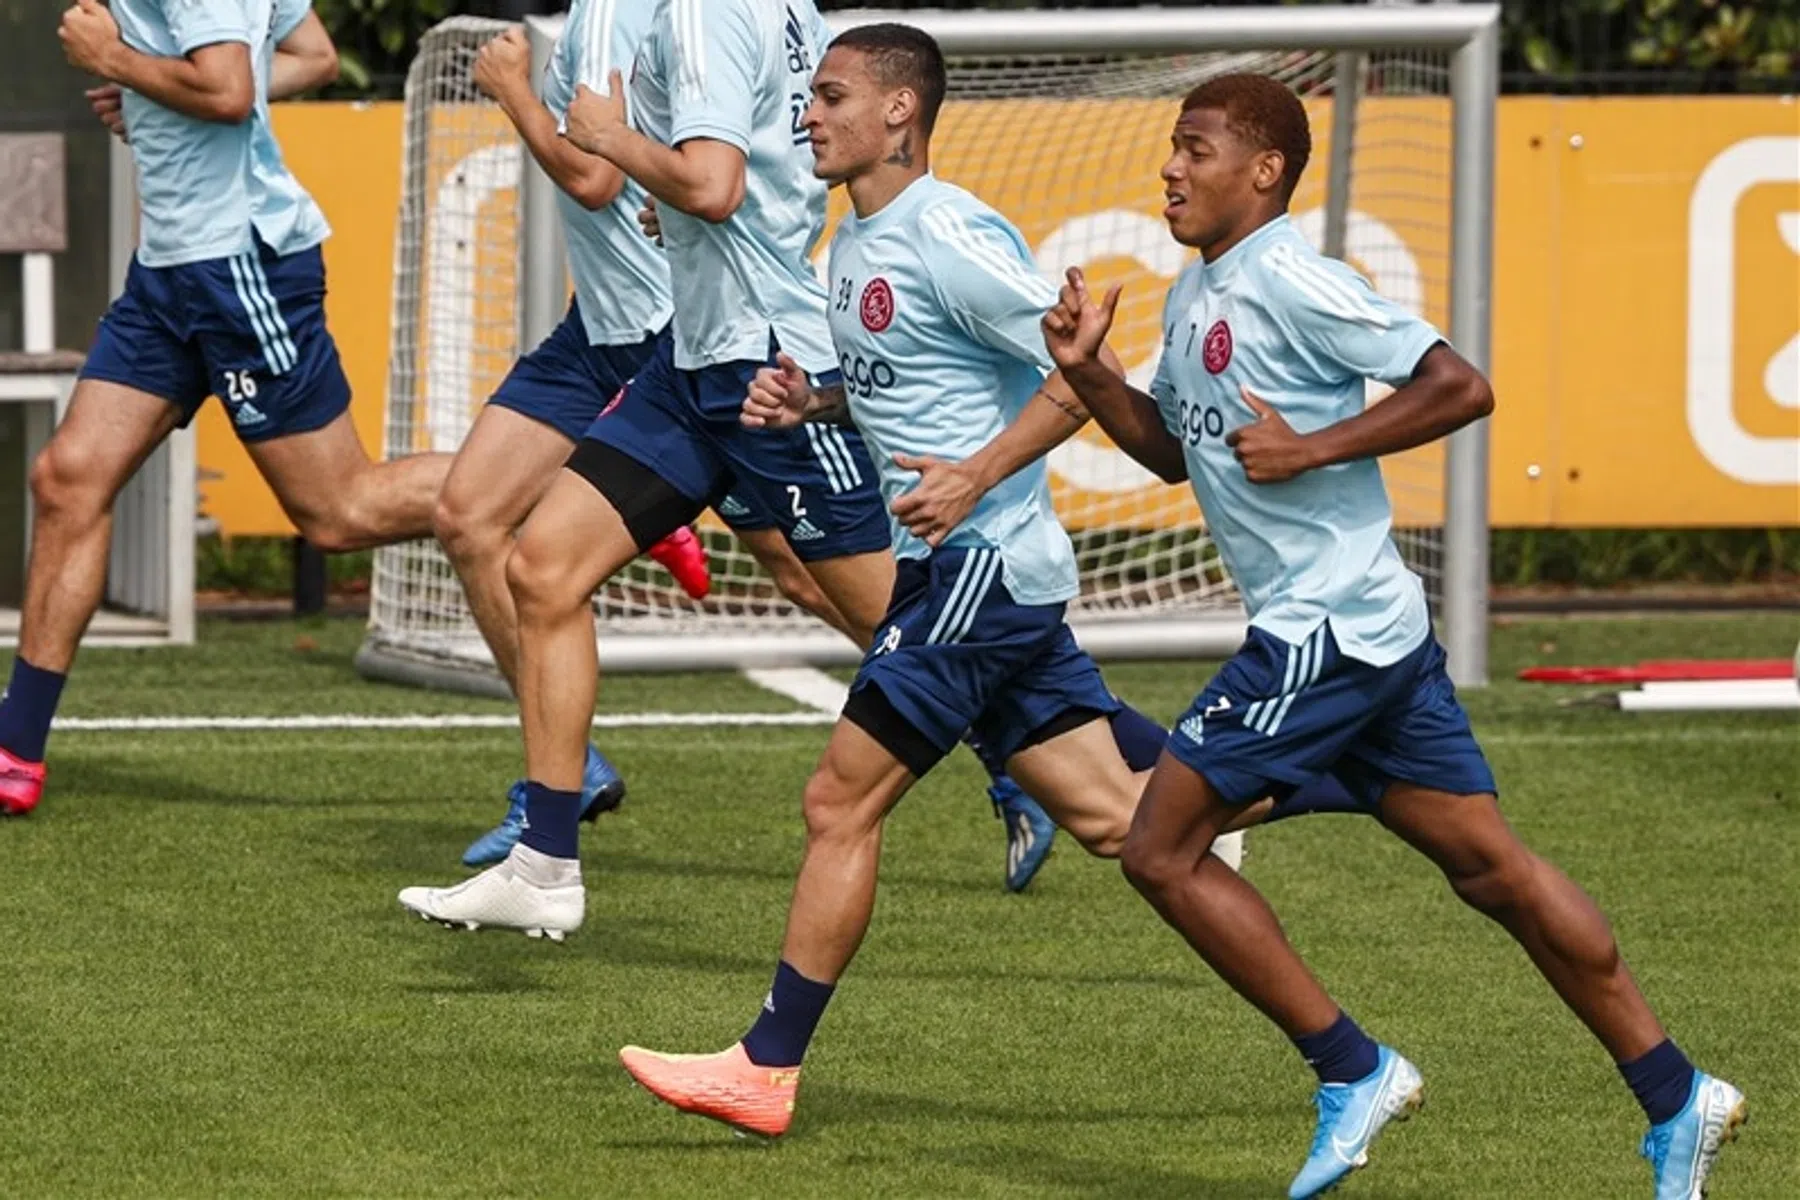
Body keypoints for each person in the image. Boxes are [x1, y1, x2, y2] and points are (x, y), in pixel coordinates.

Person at [1041, 72, 1745, 1199]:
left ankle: (1351, 1070)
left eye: (1196, 148)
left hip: (1327, 630)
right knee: (1494, 870)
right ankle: (1676, 1094)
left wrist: (1316, 449)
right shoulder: (1196, 293)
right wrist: (1089, 373)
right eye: (1172, 149)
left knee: (1159, 848)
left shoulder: (1297, 280)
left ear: (1264, 171)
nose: (1171, 167)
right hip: (1371, 637)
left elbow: (1461, 385)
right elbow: (1172, 450)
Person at [609, 24, 1306, 1139]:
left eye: (832, 96)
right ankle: (1351, 874)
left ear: (899, 112)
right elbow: (918, 384)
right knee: (1124, 827)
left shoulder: (948, 230)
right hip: (967, 573)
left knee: (840, 799)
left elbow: (1077, 374)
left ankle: (766, 1067)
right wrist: (815, 404)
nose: (810, 114)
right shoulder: (854, 244)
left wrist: (977, 474)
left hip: (983, 570)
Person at [393, 0, 1102, 932]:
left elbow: (716, 184)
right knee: (540, 566)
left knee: (900, 622)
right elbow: (754, 165)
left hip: (764, 362)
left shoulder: (702, 8)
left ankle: (1120, 782)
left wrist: (617, 141)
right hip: (692, 358)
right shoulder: (783, 7)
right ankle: (545, 865)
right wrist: (673, 182)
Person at [2, 0, 448, 818]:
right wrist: (155, 93)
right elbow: (310, 55)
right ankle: (15, 751)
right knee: (68, 479)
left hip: (238, 267)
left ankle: (583, 476)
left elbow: (230, 92)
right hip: (170, 272)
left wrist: (120, 59)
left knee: (339, 512)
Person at [435, 12, 855, 868]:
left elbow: (599, 175)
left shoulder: (648, 13)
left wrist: (517, 97)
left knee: (817, 580)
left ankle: (1029, 746)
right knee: (483, 525)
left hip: (685, 335)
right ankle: (557, 806)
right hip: (610, 329)